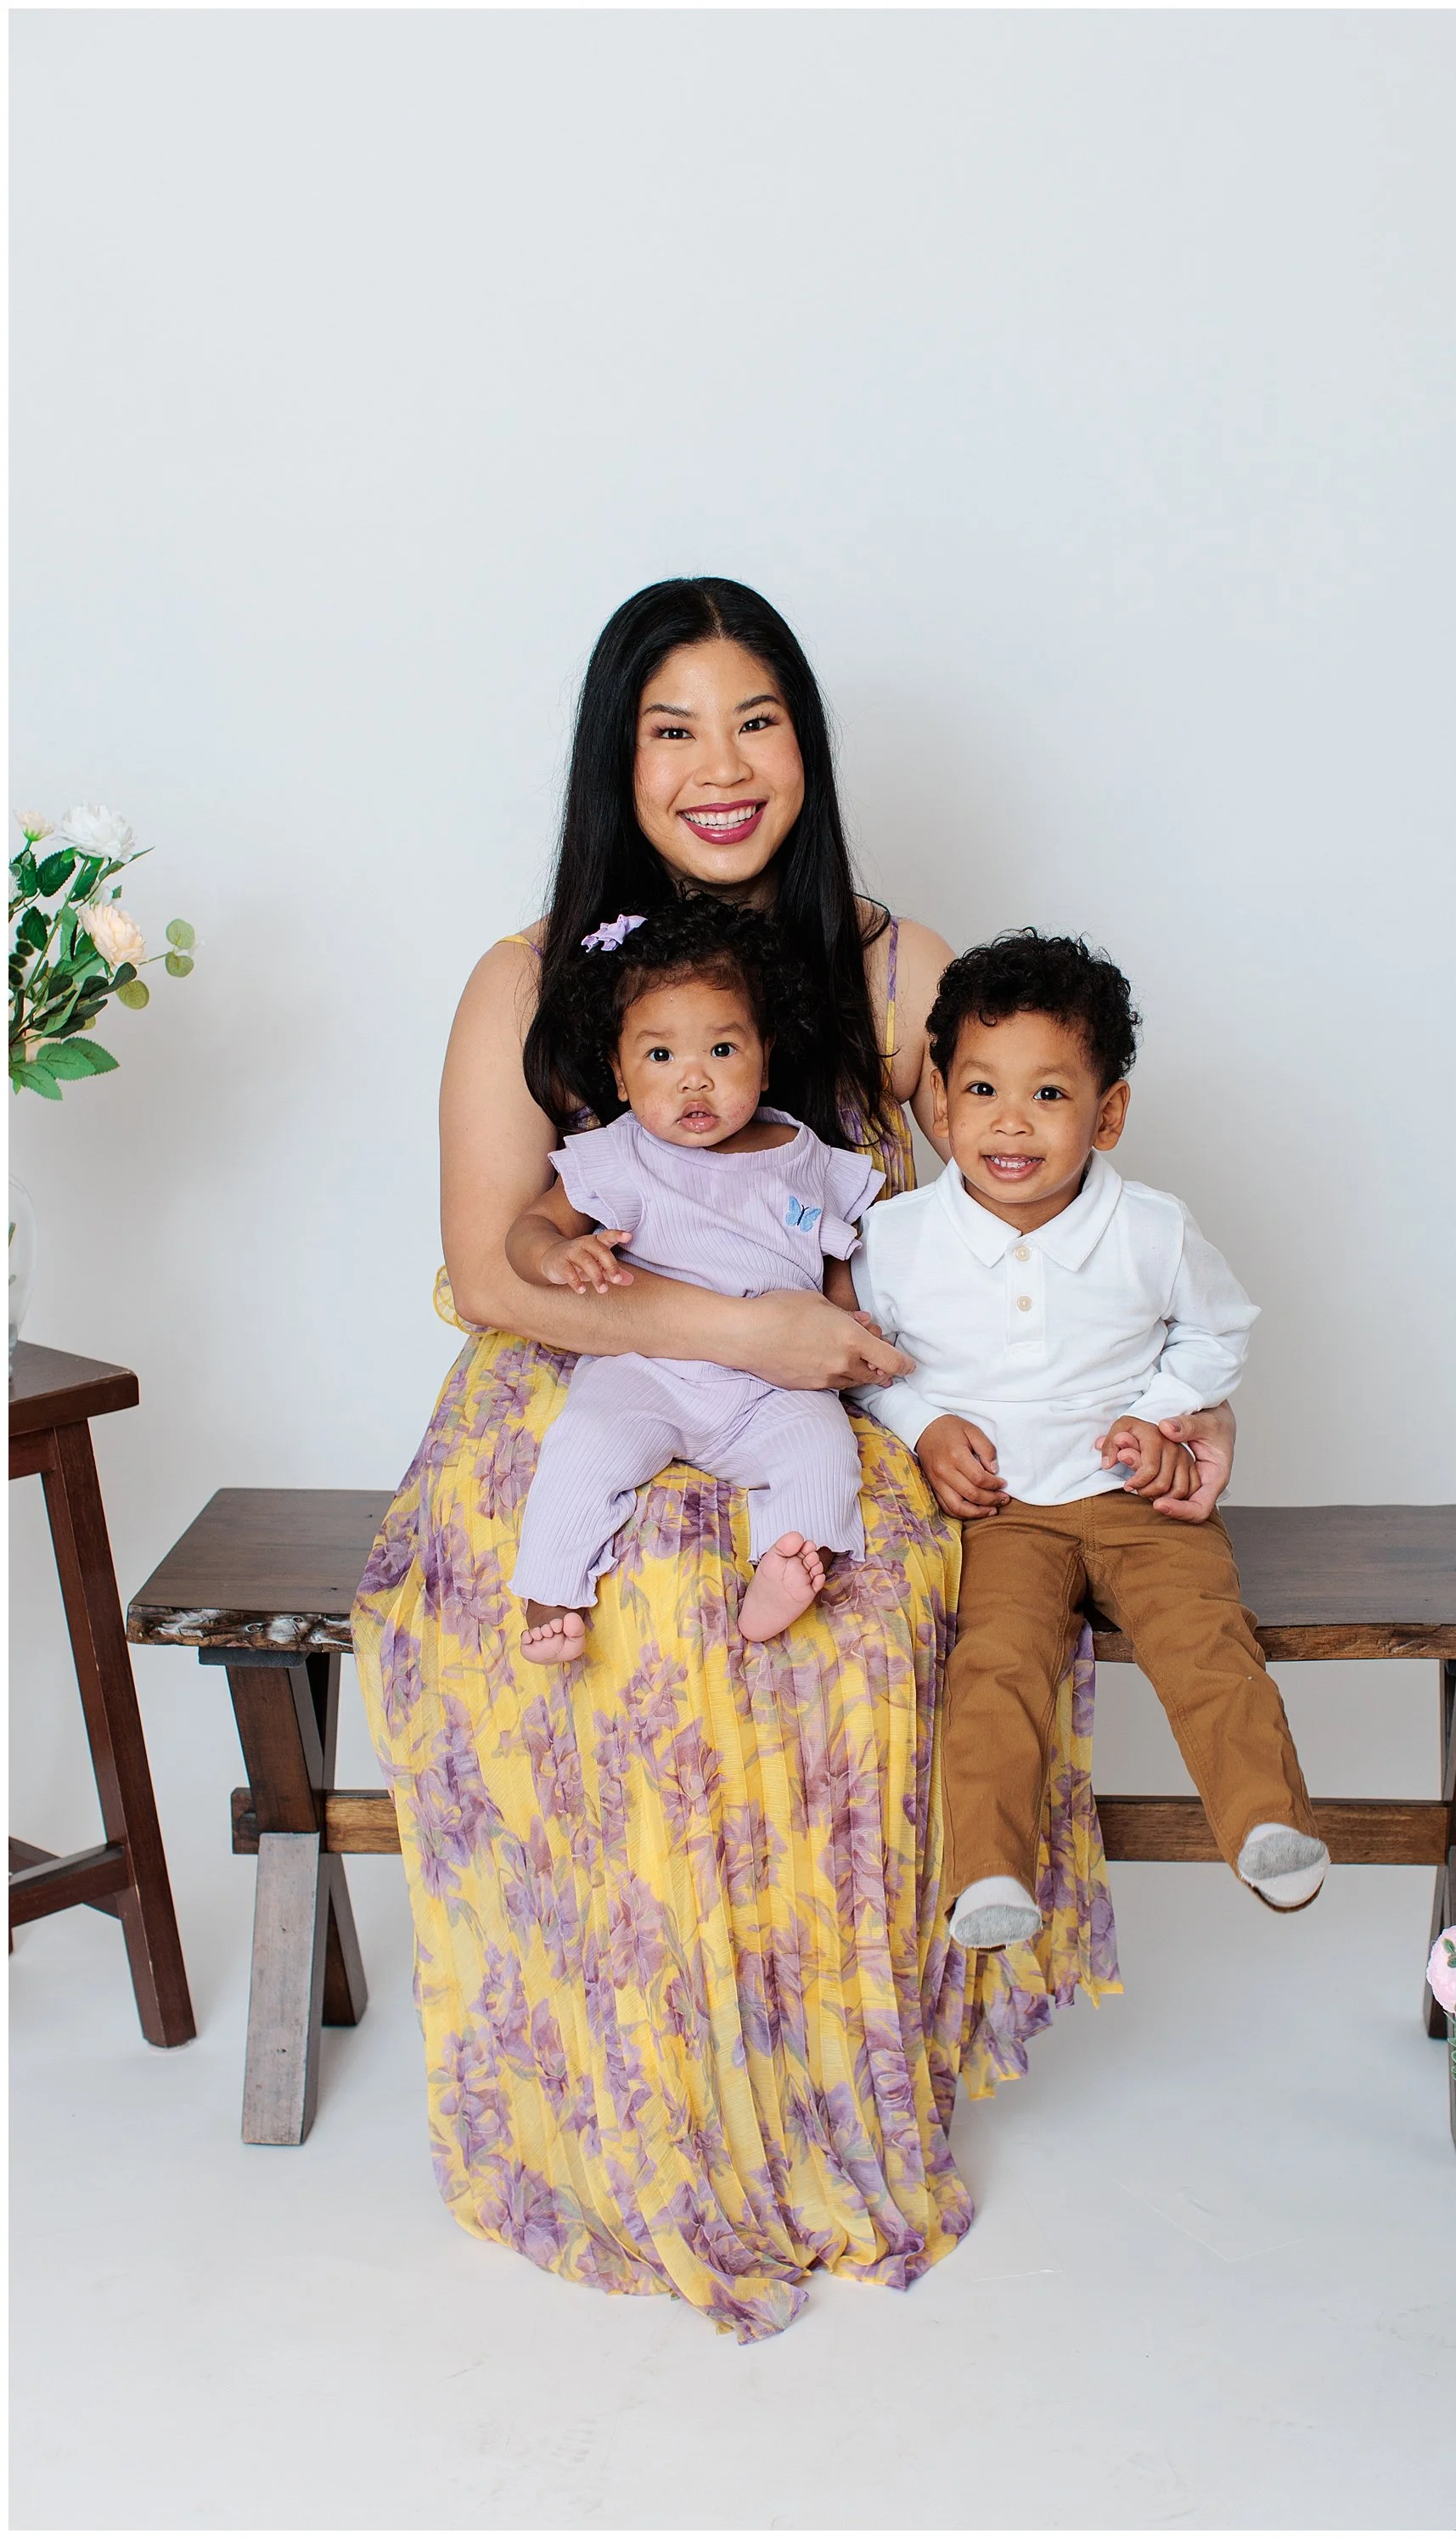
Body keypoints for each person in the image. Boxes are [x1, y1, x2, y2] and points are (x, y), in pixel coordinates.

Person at [352, 577, 1239, 2341]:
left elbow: (1036, 1186)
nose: (719, 764)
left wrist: (1187, 1389)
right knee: (612, 1603)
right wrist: (737, 1328)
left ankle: (815, 2074)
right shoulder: (526, 978)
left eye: (755, 719)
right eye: (672, 728)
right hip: (581, 1385)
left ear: (805, 746)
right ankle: (629, 2086)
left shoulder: (895, 962)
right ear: (621, 759)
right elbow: (484, 1270)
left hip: (825, 1404)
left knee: (852, 1592)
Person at [850, 932, 1328, 1949]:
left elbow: (1216, 1332)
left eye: (1050, 1095)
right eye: (978, 1090)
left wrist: (1160, 1413)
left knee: (1203, 1643)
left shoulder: (1149, 1228)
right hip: (1000, 1517)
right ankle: (986, 1872)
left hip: (1135, 1501)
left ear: (1107, 1112)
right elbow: (863, 1366)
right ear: (936, 1097)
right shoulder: (895, 1241)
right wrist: (924, 1424)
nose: (1008, 1122)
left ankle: (1266, 1822)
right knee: (994, 1669)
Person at [503, 895, 881, 1658]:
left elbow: (844, 1249)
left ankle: (784, 1566)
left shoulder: (803, 1152)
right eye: (660, 1056)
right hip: (648, 1370)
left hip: (774, 1387)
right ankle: (550, 1593)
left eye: (722, 1051)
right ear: (617, 1071)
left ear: (765, 1054)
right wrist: (555, 1256)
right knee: (584, 1444)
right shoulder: (620, 1155)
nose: (694, 1082)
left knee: (825, 1457)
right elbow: (526, 1232)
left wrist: (848, 1315)